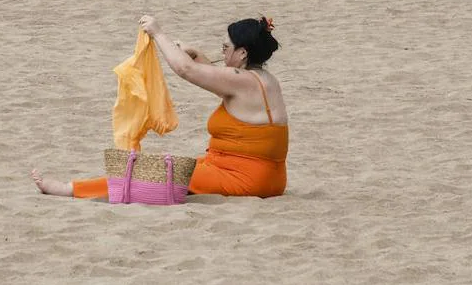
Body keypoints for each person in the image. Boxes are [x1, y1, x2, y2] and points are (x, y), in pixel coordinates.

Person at [31, 15, 289, 200]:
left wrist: (158, 33)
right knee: (156, 165)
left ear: (242, 53)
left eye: (225, 48)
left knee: (149, 170)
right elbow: (213, 75)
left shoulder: (243, 81)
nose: (221, 51)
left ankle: (69, 188)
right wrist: (194, 52)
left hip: (246, 178)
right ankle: (78, 187)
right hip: (253, 173)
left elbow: (185, 70)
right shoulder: (261, 79)